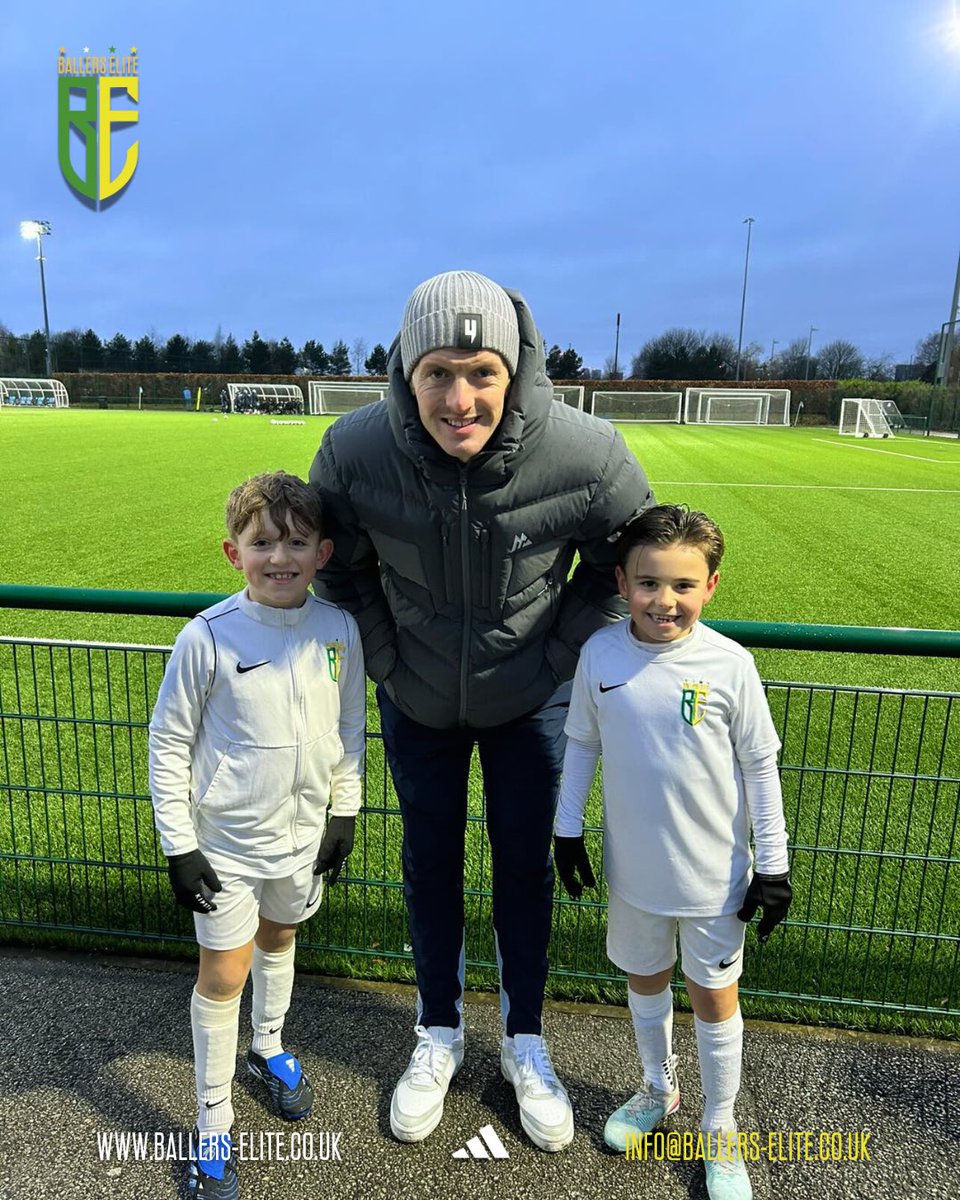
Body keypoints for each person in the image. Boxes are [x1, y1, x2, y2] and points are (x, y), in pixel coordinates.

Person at [310, 269, 653, 1152]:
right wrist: (388, 658)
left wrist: (554, 658)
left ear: (515, 370)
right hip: (417, 700)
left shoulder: (589, 453)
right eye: (437, 372)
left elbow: (626, 568)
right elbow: (340, 568)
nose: (459, 400)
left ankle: (525, 1040)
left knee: (523, 872)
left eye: (481, 373)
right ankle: (438, 1031)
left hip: (529, 704)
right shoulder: (352, 451)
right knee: (428, 866)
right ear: (405, 371)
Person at [553, 504, 791, 1200]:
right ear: (622, 582)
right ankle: (659, 1088)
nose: (665, 600)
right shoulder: (600, 655)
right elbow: (583, 743)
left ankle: (721, 1125)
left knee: (713, 996)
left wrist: (773, 865)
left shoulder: (730, 665)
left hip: (714, 879)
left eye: (684, 585)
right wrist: (567, 829)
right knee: (645, 979)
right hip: (634, 874)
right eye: (650, 583)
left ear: (710, 586)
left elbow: (760, 768)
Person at [148, 471, 365, 1198]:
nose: (280, 557)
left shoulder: (338, 630)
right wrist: (180, 846)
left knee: (280, 938)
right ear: (232, 552)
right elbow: (168, 744)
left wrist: (344, 810)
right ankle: (212, 1122)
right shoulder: (206, 637)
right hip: (225, 849)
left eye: (296, 542)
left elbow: (350, 728)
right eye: (262, 542)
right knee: (223, 974)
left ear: (322, 552)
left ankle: (267, 1046)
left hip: (301, 839)